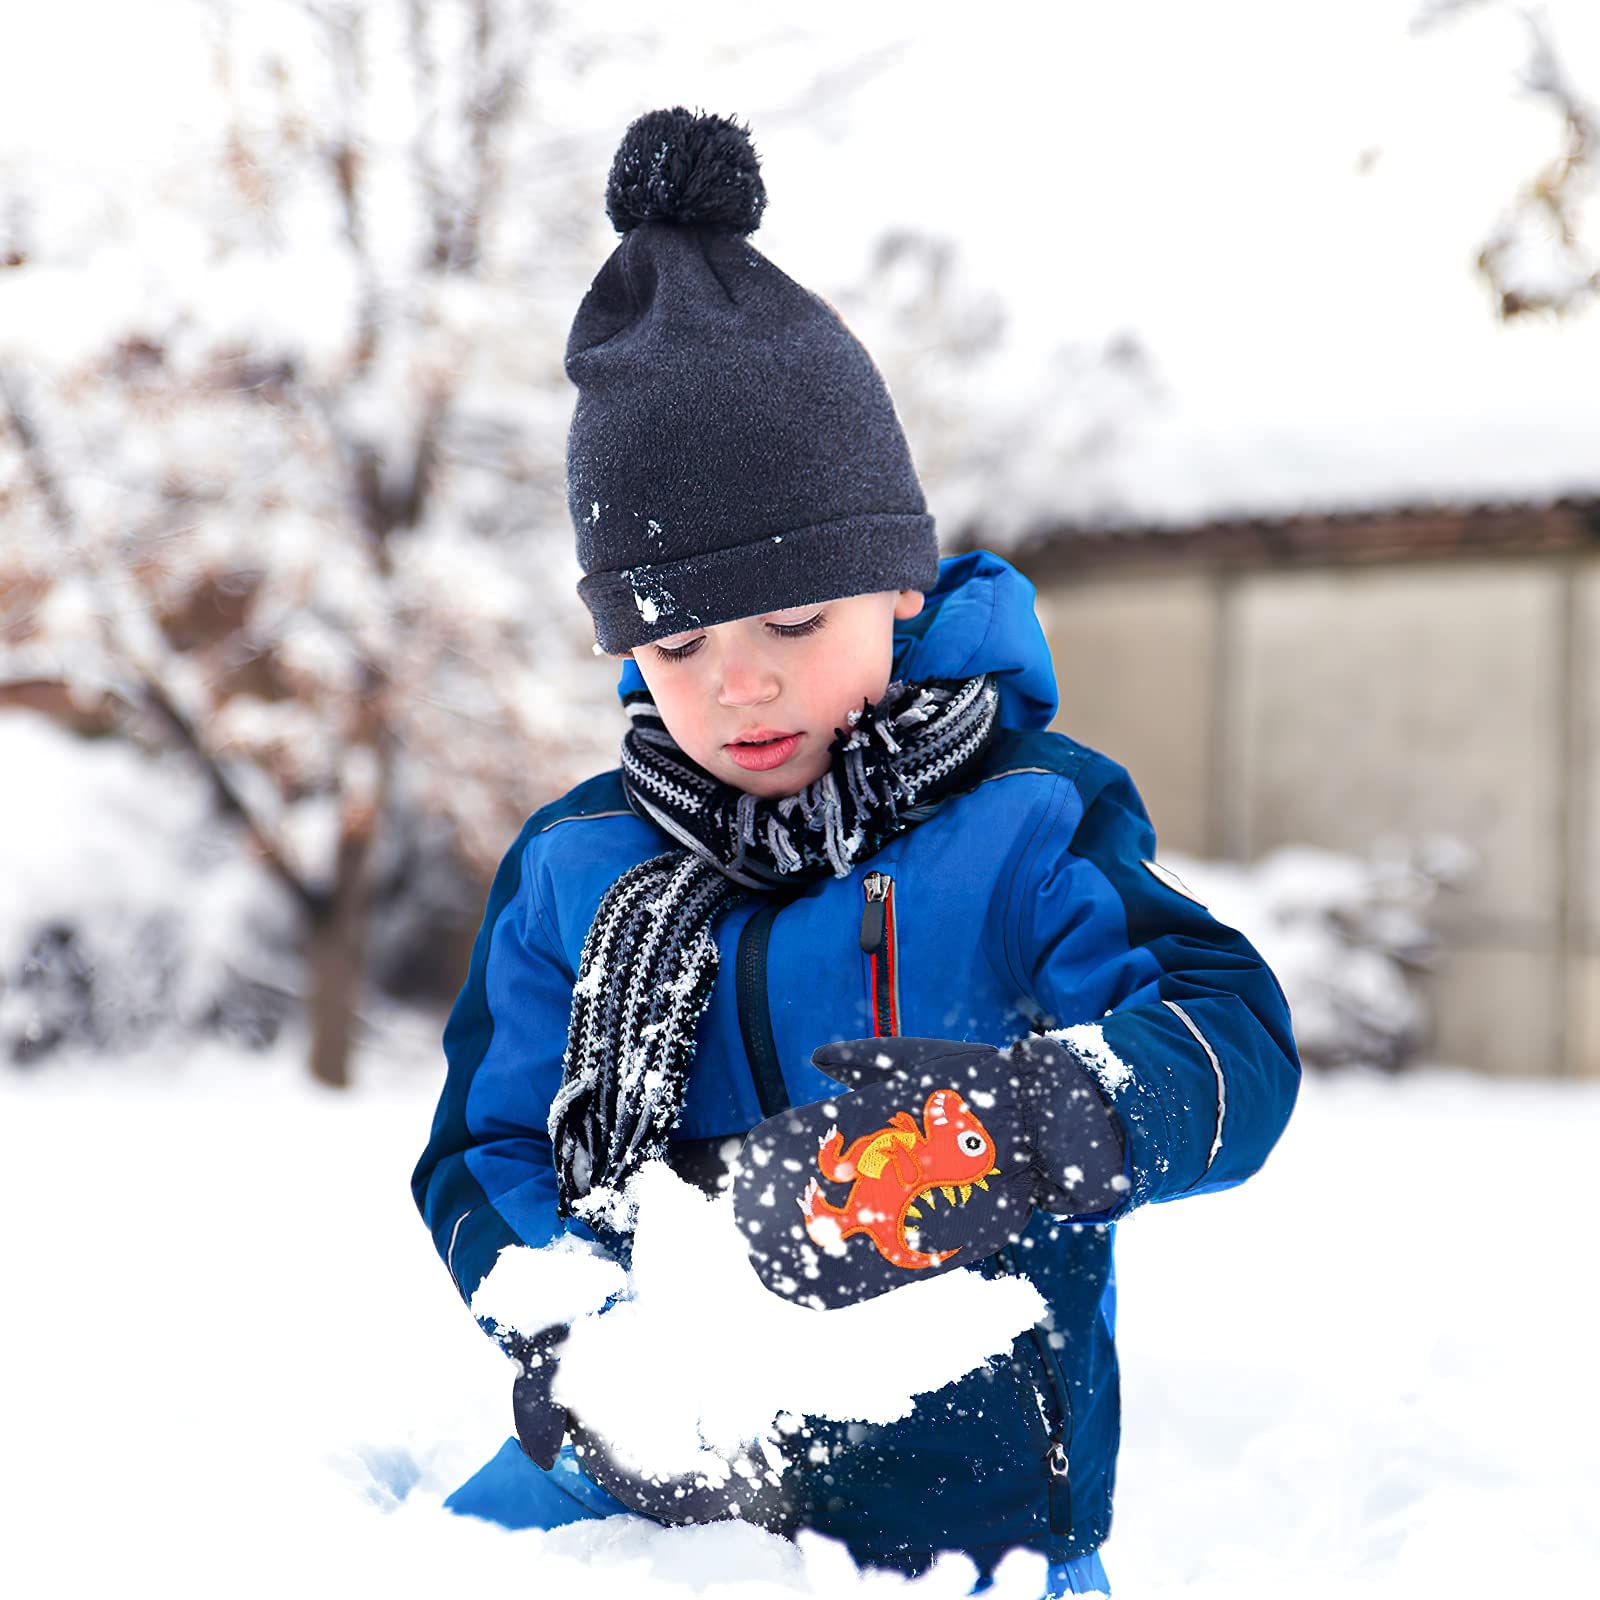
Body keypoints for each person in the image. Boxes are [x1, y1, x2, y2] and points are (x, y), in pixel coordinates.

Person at [411, 107, 1301, 1598]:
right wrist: (587, 1322)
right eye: (679, 642)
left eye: (792, 622)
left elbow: (1233, 1046)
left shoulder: (1025, 826)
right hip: (641, 1471)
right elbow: (483, 1148)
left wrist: (1026, 1127)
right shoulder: (580, 864)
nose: (738, 683)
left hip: (958, 1521)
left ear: (897, 586)